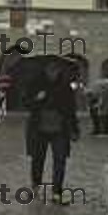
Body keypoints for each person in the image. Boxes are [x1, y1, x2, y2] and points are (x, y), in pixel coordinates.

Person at [24, 61, 80, 205]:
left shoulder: (65, 86)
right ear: (46, 70)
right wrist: (37, 99)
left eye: (56, 70)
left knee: (60, 160)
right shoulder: (35, 83)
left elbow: (71, 108)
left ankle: (57, 192)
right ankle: (36, 185)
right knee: (38, 159)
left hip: (60, 128)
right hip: (39, 128)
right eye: (51, 69)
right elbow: (26, 102)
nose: (53, 73)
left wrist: (74, 128)